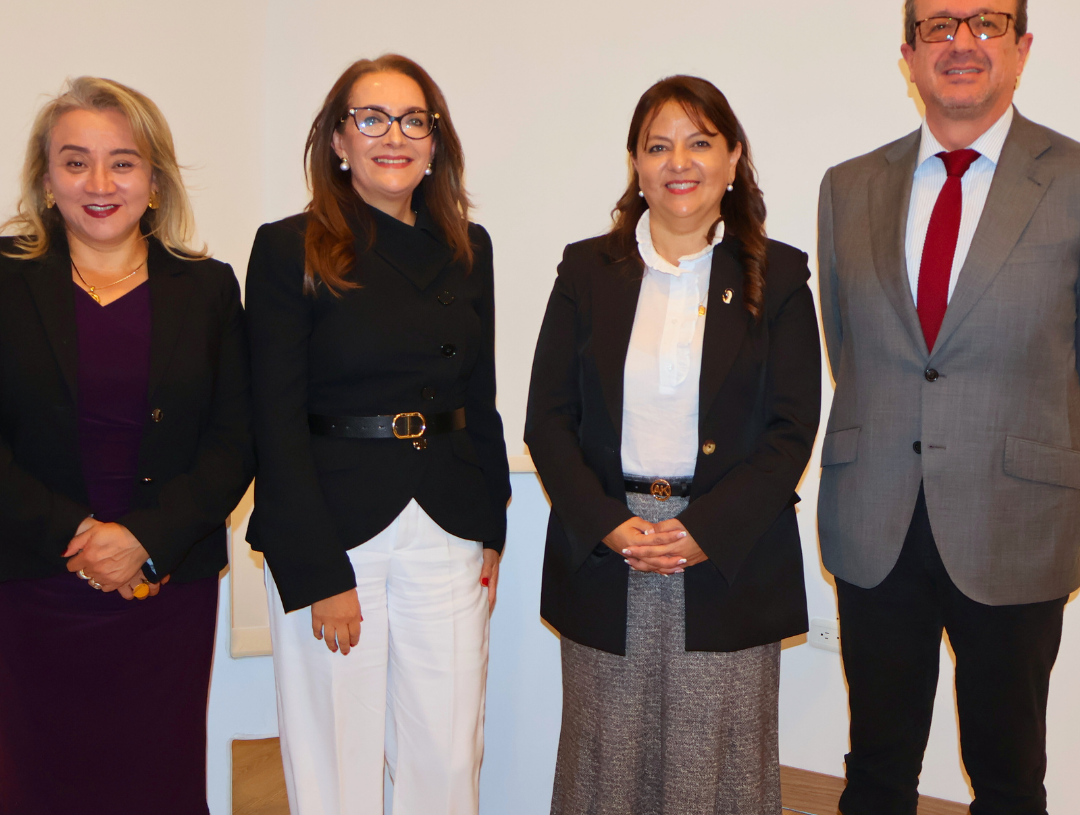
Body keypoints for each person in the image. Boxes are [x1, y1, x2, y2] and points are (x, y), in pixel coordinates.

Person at [525, 75, 821, 815]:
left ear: (733, 158)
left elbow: (791, 430)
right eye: (658, 146)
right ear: (635, 163)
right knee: (605, 766)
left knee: (712, 769)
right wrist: (608, 523)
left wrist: (704, 531)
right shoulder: (586, 270)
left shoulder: (780, 273)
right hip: (609, 547)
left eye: (699, 142)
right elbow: (548, 420)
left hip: (728, 551)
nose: (678, 162)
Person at [817, 2, 1080, 813]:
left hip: (1017, 519)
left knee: (1008, 777)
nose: (961, 42)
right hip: (876, 517)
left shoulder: (1074, 179)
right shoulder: (848, 186)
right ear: (909, 54)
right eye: (938, 25)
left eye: (986, 22)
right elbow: (847, 345)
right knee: (876, 770)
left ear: (1022, 47)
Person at [246, 54, 511, 815]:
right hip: (333, 530)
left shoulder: (470, 247)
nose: (394, 136)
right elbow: (273, 419)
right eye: (372, 119)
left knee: (448, 754)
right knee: (336, 758)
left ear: (435, 141)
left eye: (413, 120)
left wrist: (491, 526)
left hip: (449, 521)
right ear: (338, 139)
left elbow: (480, 395)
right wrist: (316, 568)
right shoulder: (289, 246)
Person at [0, 77, 254, 815]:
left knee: (155, 782)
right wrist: (79, 535)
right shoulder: (5, 280)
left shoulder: (207, 289)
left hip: (163, 586)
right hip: (30, 581)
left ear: (155, 180)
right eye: (75, 162)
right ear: (46, 180)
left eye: (123, 162)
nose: (100, 183)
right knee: (36, 781)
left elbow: (236, 440)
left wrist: (145, 539)